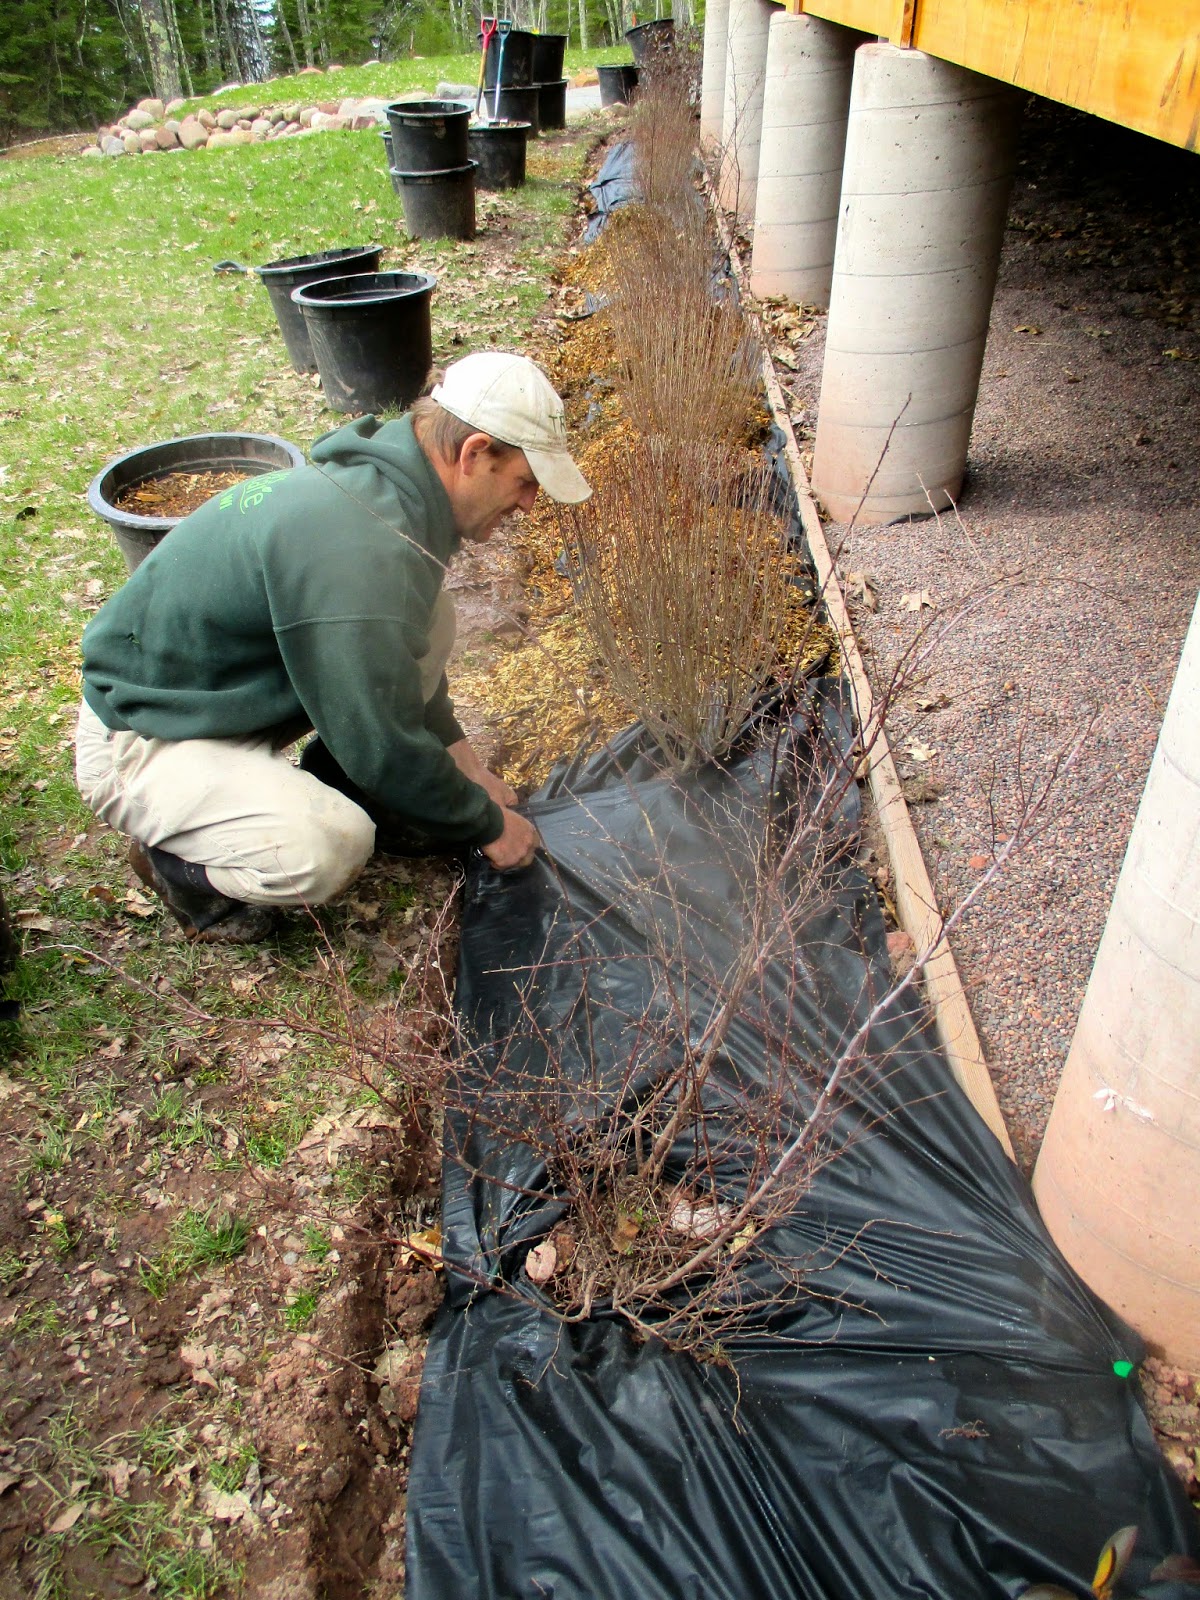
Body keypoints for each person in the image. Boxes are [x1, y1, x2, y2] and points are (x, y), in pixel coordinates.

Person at [74, 351, 591, 942]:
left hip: (223, 691)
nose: (528, 502)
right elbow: (381, 741)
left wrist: (464, 764)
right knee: (328, 846)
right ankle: (180, 870)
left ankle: (330, 777)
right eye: (525, 481)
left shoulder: (393, 494)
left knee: (433, 617)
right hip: (145, 730)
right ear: (474, 454)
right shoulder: (362, 548)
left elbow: (397, 662)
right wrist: (489, 825)